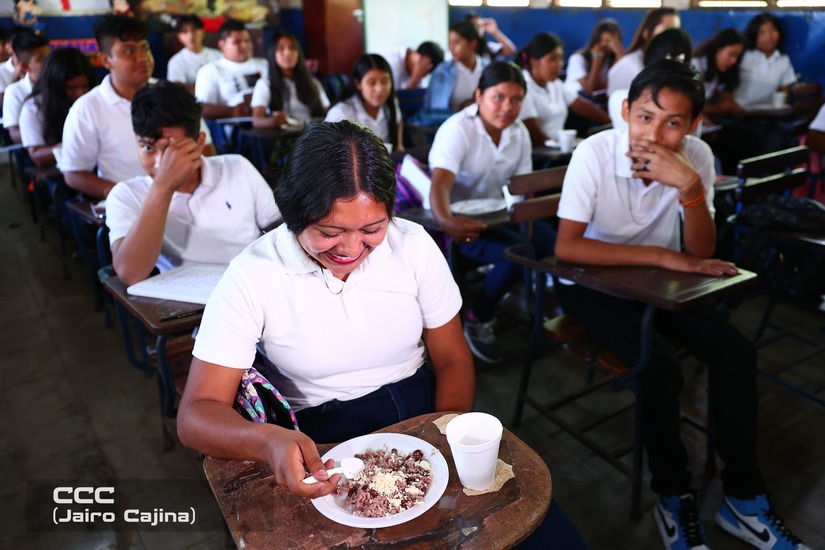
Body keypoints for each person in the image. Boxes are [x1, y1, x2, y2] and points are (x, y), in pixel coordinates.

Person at [554, 59, 810, 550]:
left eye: (674, 122)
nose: (656, 133)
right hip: (589, 282)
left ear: (693, 124)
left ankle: (744, 499)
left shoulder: (697, 156)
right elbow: (568, 247)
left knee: (737, 353)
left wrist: (690, 187)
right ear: (626, 110)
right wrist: (662, 255)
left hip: (659, 282)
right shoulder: (594, 152)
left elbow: (700, 253)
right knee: (659, 369)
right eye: (646, 116)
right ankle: (673, 497)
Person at [177, 120, 475, 495]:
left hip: (422, 407)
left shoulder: (413, 246)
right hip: (320, 437)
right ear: (293, 213)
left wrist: (443, 441)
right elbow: (196, 413)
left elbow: (452, 359)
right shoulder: (253, 275)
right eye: (329, 233)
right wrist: (268, 441)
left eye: (372, 230)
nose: (351, 250)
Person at [427, 61, 555, 364]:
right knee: (519, 253)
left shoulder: (519, 132)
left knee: (550, 242)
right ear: (479, 96)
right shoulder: (459, 129)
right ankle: (477, 316)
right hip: (455, 224)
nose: (507, 107)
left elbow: (524, 190)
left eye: (515, 100)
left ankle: (535, 309)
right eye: (498, 97)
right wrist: (448, 222)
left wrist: (531, 218)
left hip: (496, 217)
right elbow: (440, 185)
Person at [105, 80, 280, 285]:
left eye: (172, 149)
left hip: (255, 282)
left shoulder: (236, 167)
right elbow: (130, 273)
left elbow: (280, 228)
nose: (161, 163)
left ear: (198, 143)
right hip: (191, 303)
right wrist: (163, 187)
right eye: (147, 148)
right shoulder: (127, 195)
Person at [61, 14, 214, 200]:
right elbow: (74, 174)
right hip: (136, 205)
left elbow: (205, 148)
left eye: (145, 48)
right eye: (129, 51)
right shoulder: (87, 109)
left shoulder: (173, 94)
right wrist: (128, 197)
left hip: (190, 195)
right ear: (105, 60)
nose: (142, 58)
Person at [516, 32, 609, 147]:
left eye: (561, 59)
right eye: (552, 59)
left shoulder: (555, 84)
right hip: (540, 154)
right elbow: (535, 135)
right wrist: (558, 147)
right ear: (534, 62)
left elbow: (584, 107)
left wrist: (612, 122)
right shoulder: (523, 86)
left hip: (558, 149)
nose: (559, 65)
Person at [608, 28, 693, 133]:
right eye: (646, 118)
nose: (654, 136)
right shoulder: (620, 97)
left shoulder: (685, 103)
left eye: (672, 123)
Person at [19, 47, 93, 167]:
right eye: (71, 88)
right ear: (55, 86)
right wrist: (74, 143)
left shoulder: (93, 100)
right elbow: (37, 156)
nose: (80, 93)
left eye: (85, 86)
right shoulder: (34, 108)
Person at [692, 28, 751, 175]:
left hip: (709, 124)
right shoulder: (696, 65)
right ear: (718, 49)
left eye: (737, 57)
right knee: (733, 143)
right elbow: (692, 106)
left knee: (748, 136)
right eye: (731, 54)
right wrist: (717, 112)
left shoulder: (720, 71)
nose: (733, 61)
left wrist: (732, 107)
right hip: (698, 125)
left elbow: (725, 96)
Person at [324, 54, 402, 152]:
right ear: (358, 84)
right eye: (372, 83)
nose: (379, 89)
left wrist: (399, 144)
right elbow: (326, 151)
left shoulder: (390, 103)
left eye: (385, 81)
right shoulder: (341, 112)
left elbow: (398, 121)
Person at [251, 31, 329, 128]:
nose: (287, 53)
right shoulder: (265, 84)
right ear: (273, 53)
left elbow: (327, 112)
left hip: (314, 135)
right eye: (281, 48)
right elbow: (257, 120)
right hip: (285, 138)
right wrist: (273, 121)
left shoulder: (313, 83)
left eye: (292, 48)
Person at [194, 19, 268, 120]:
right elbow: (202, 108)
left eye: (247, 40)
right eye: (237, 42)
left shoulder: (265, 65)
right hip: (235, 129)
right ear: (222, 45)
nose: (245, 45)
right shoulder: (209, 71)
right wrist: (233, 111)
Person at [606, 8, 679, 98]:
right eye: (667, 30)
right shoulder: (629, 66)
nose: (674, 37)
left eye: (677, 31)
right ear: (647, 33)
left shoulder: (668, 64)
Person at [734, 12, 796, 109]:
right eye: (762, 33)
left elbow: (785, 92)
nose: (769, 37)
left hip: (768, 114)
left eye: (773, 30)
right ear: (754, 35)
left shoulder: (783, 60)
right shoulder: (743, 55)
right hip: (739, 112)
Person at [424, 20, 489, 113]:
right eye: (450, 43)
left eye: (456, 43)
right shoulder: (443, 71)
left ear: (472, 44)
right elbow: (436, 110)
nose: (451, 48)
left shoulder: (487, 69)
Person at [2, 29, 49, 143]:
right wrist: (44, 139)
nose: (48, 62)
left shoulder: (58, 84)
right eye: (41, 59)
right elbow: (14, 133)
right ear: (25, 66)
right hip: (31, 150)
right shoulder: (14, 91)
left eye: (49, 56)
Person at [564, 18, 623, 98]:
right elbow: (589, 90)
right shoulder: (577, 59)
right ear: (596, 41)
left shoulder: (611, 60)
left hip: (597, 101)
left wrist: (619, 53)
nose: (606, 45)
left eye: (612, 41)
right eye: (606, 41)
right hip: (576, 101)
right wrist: (597, 58)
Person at [166, 14, 221, 93]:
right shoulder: (175, 62)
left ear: (203, 33)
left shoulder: (219, 55)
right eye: (185, 32)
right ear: (179, 37)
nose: (191, 35)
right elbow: (177, 93)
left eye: (194, 30)